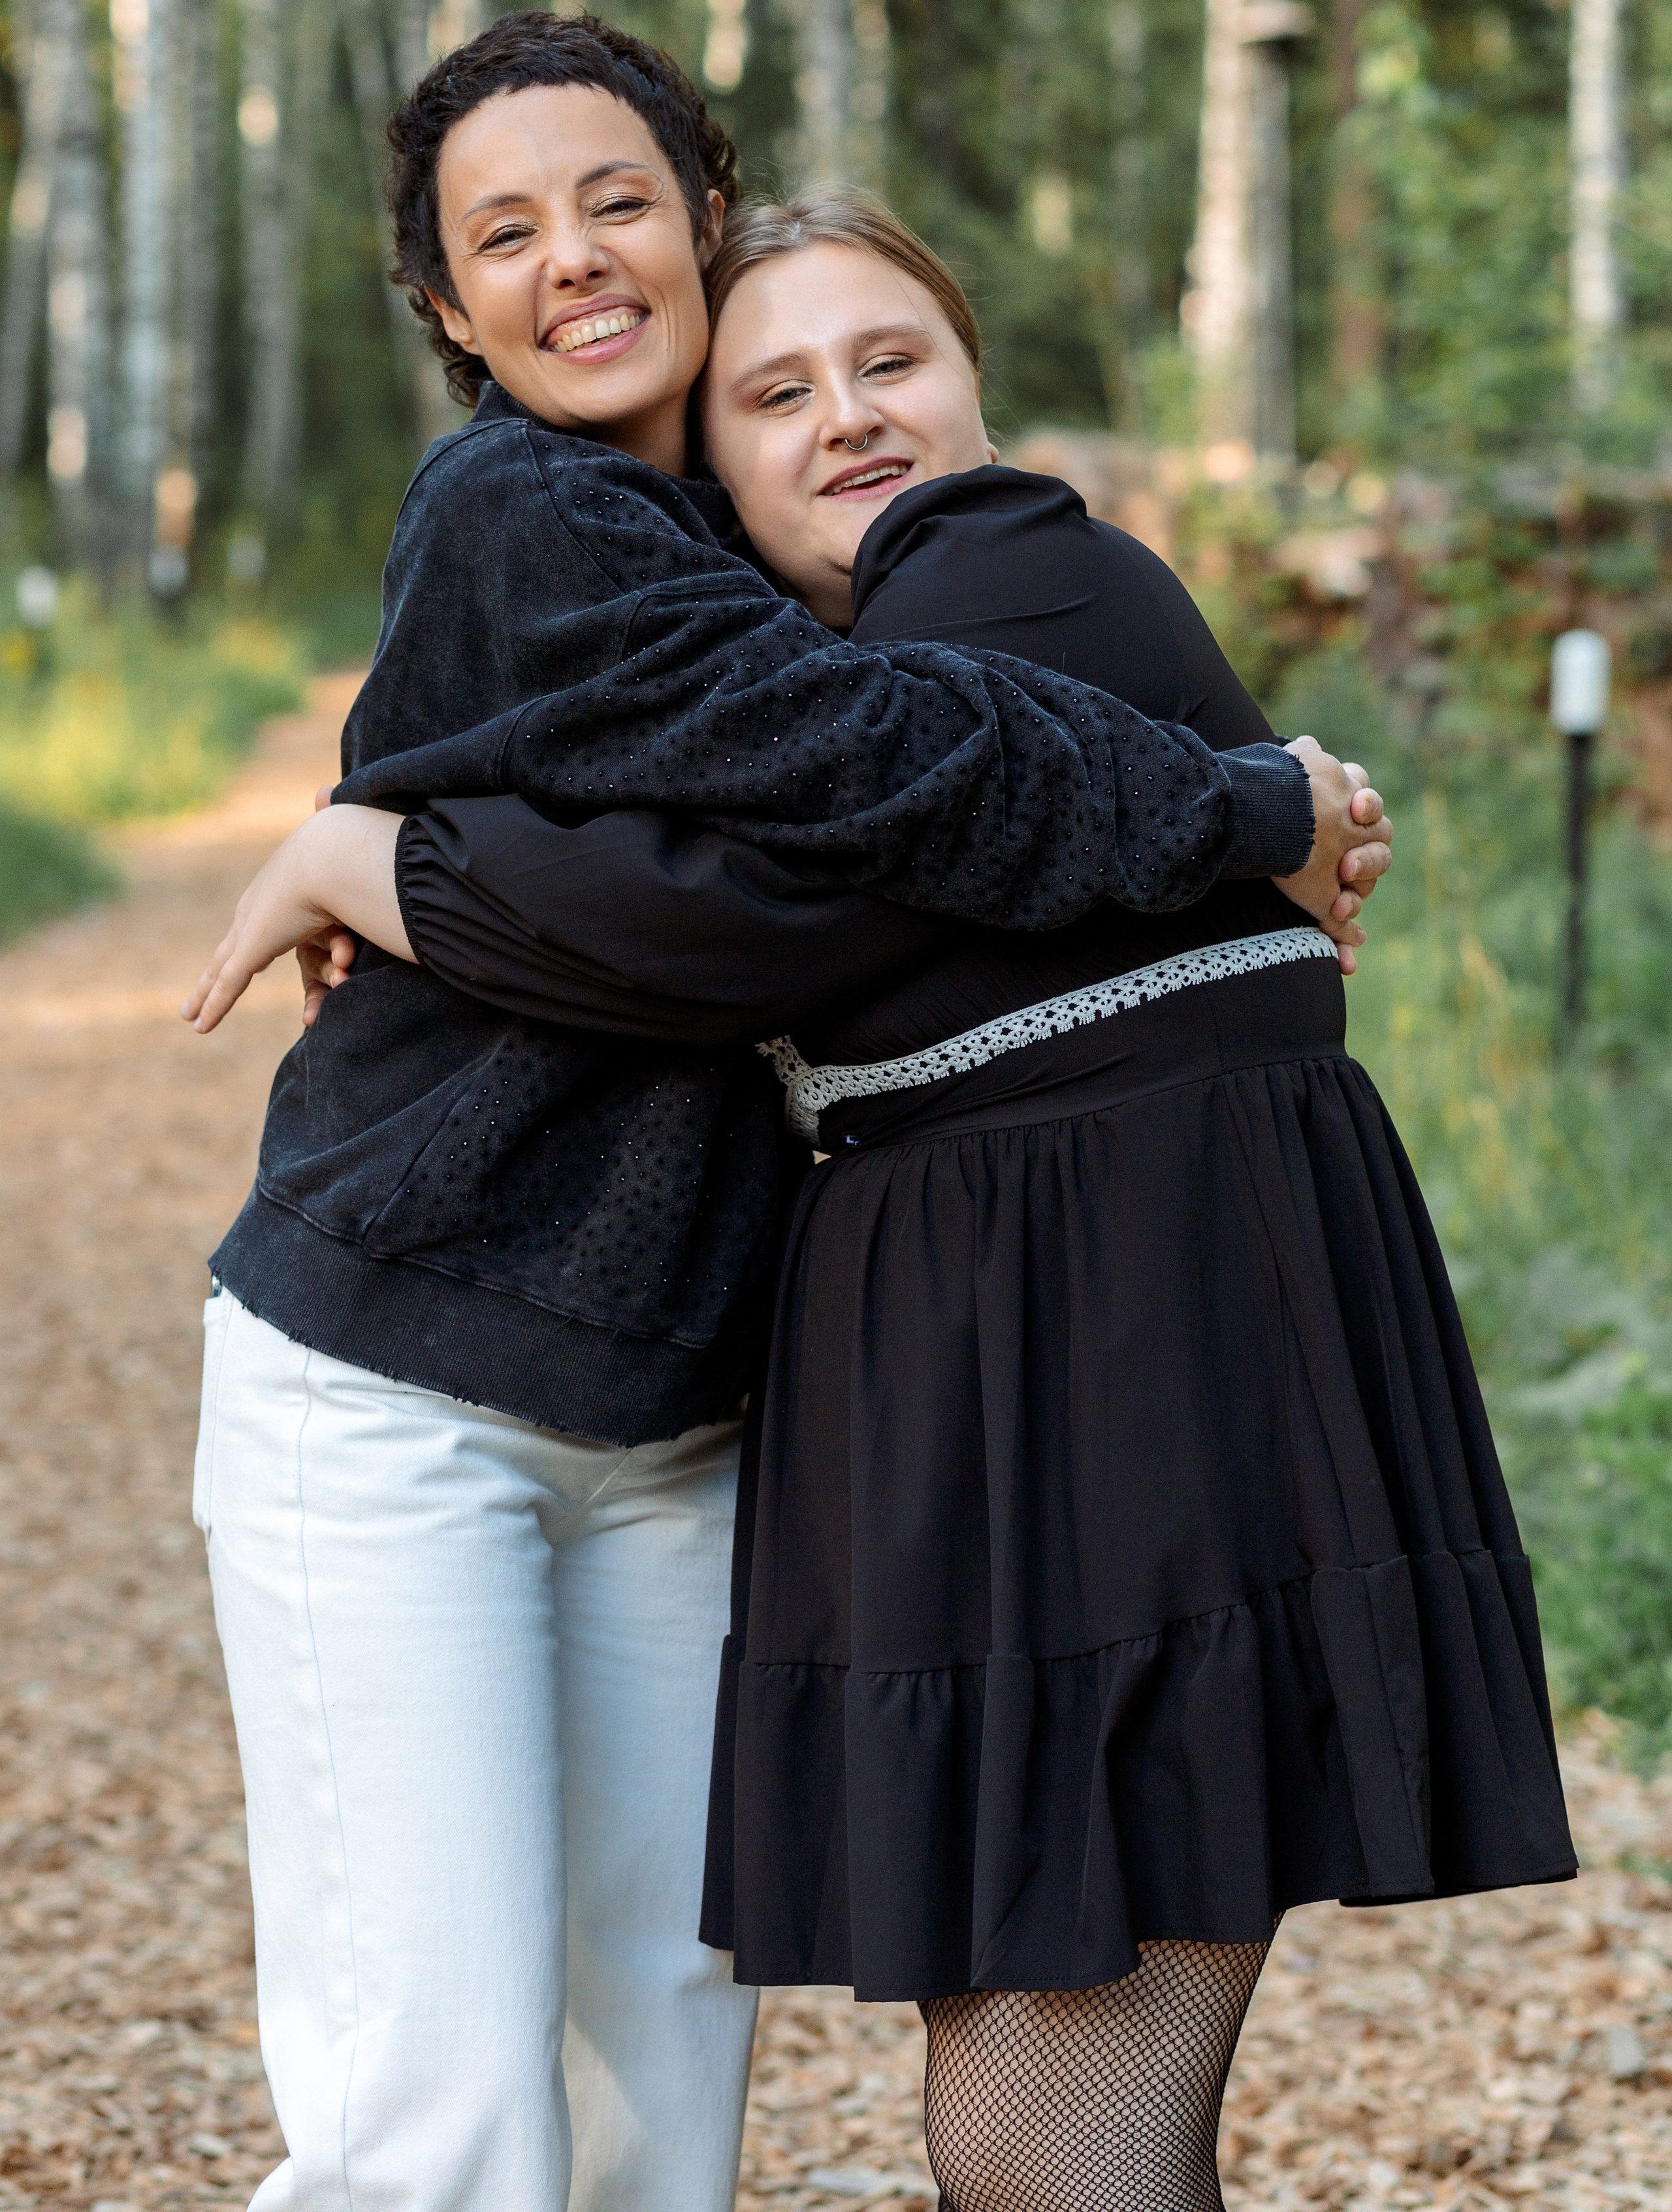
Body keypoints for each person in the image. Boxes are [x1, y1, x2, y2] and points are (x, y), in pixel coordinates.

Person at [220, 193, 1575, 2212]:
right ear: (707, 471)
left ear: (976, 386)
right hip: (1044, 1387)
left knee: (1051, 2127)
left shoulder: (1010, 572)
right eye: (777, 395)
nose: (849, 418)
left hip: (1134, 1382)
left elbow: (750, 922)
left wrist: (376, 864)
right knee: (1043, 2101)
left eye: (893, 362)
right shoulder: (822, 671)